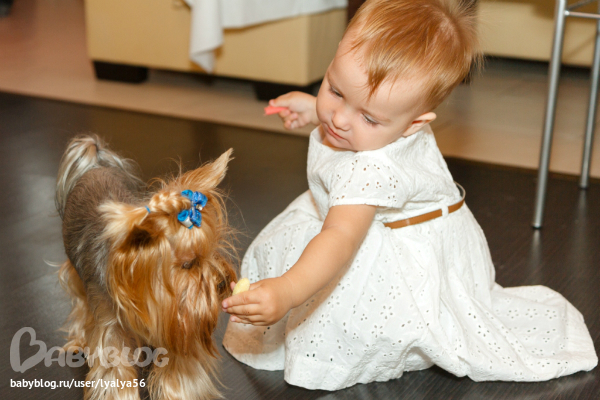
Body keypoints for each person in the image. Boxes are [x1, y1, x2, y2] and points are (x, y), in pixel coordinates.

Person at [221, 0, 597, 391]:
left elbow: (340, 238)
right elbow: (354, 105)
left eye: (368, 117)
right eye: (334, 89)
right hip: (395, 223)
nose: (339, 118)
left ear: (413, 124)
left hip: (398, 246)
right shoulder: (385, 115)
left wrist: (288, 290)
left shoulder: (368, 169)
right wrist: (312, 106)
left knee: (348, 299)